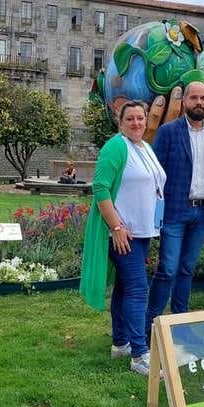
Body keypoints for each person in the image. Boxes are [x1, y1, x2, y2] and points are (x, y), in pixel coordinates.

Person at [79, 100, 167, 376]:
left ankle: (121, 343)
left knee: (125, 288)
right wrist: (116, 227)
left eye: (141, 118)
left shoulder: (146, 147)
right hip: (122, 233)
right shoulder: (116, 146)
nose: (137, 123)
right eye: (130, 119)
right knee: (139, 289)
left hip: (142, 231)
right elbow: (101, 188)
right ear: (121, 122)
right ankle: (140, 354)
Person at [145, 82, 204, 341]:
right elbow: (156, 175)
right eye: (194, 98)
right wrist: (155, 213)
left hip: (202, 214)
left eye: (203, 98)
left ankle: (181, 326)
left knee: (186, 270)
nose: (199, 102)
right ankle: (152, 325)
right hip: (174, 213)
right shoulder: (169, 132)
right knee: (167, 268)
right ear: (185, 101)